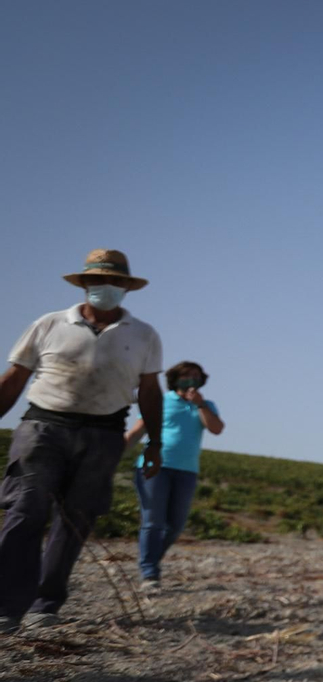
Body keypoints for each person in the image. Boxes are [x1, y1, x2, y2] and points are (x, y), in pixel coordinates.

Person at [0, 249, 164, 632]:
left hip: (103, 433)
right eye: (97, 280)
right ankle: (5, 606)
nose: (105, 287)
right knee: (25, 511)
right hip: (43, 427)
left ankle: (45, 604)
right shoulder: (50, 324)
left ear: (126, 288)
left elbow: (150, 392)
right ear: (85, 284)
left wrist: (154, 443)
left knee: (75, 520)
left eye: (114, 282)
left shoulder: (144, 335)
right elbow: (14, 378)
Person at [125, 361, 224, 591]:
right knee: (153, 521)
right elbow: (137, 431)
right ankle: (149, 572)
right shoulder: (161, 401)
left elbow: (217, 429)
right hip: (154, 467)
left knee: (175, 524)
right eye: (187, 375)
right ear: (175, 378)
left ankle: (151, 561)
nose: (191, 379)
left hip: (187, 470)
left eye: (196, 375)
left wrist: (200, 405)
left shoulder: (206, 406)